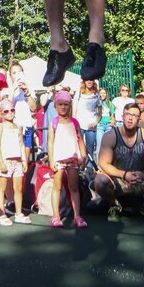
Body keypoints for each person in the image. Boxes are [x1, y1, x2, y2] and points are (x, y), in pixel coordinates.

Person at [93, 103, 144, 223]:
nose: (130, 118)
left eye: (134, 115)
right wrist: (124, 174)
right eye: (128, 114)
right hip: (118, 182)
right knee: (99, 180)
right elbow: (103, 163)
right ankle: (114, 205)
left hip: (140, 181)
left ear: (139, 120)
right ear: (122, 116)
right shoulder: (111, 136)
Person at [47, 90, 87, 228]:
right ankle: (56, 216)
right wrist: (51, 160)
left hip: (73, 159)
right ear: (55, 106)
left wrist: (83, 155)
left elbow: (80, 139)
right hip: (58, 160)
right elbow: (50, 142)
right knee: (57, 187)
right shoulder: (54, 123)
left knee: (73, 187)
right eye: (60, 104)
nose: (63, 107)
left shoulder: (75, 123)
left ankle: (77, 216)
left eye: (66, 104)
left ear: (70, 106)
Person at [0, 100, 30, 226]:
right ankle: (1, 213)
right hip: (6, 161)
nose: (10, 113)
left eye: (12, 110)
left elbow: (21, 144)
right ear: (1, 114)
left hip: (18, 161)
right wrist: (1, 162)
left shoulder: (18, 127)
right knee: (2, 188)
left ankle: (18, 213)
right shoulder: (0, 127)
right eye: (6, 111)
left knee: (18, 188)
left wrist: (24, 160)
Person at [74, 78, 102, 167]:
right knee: (79, 147)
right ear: (84, 82)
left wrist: (95, 122)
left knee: (90, 149)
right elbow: (74, 107)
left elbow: (100, 112)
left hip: (91, 126)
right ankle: (78, 167)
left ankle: (89, 169)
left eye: (91, 80)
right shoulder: (79, 92)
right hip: (79, 125)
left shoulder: (97, 95)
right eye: (87, 80)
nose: (89, 82)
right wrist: (74, 121)